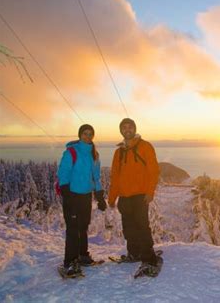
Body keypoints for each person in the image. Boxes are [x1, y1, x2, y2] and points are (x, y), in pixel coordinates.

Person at [108, 118, 161, 275]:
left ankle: (149, 259)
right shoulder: (118, 152)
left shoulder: (145, 146)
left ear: (134, 129)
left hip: (140, 196)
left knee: (142, 227)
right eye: (124, 127)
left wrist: (150, 192)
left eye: (130, 127)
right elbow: (115, 177)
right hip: (124, 197)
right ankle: (134, 253)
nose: (127, 129)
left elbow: (154, 171)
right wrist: (112, 197)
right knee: (129, 229)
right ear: (121, 131)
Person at [57, 124, 107, 277]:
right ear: (79, 135)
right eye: (85, 133)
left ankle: (82, 256)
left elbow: (96, 177)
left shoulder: (94, 154)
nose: (87, 136)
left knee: (83, 227)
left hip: (86, 197)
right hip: (71, 196)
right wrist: (66, 194)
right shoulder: (71, 152)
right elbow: (63, 174)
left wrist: (99, 197)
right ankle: (70, 262)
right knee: (72, 229)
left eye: (90, 133)